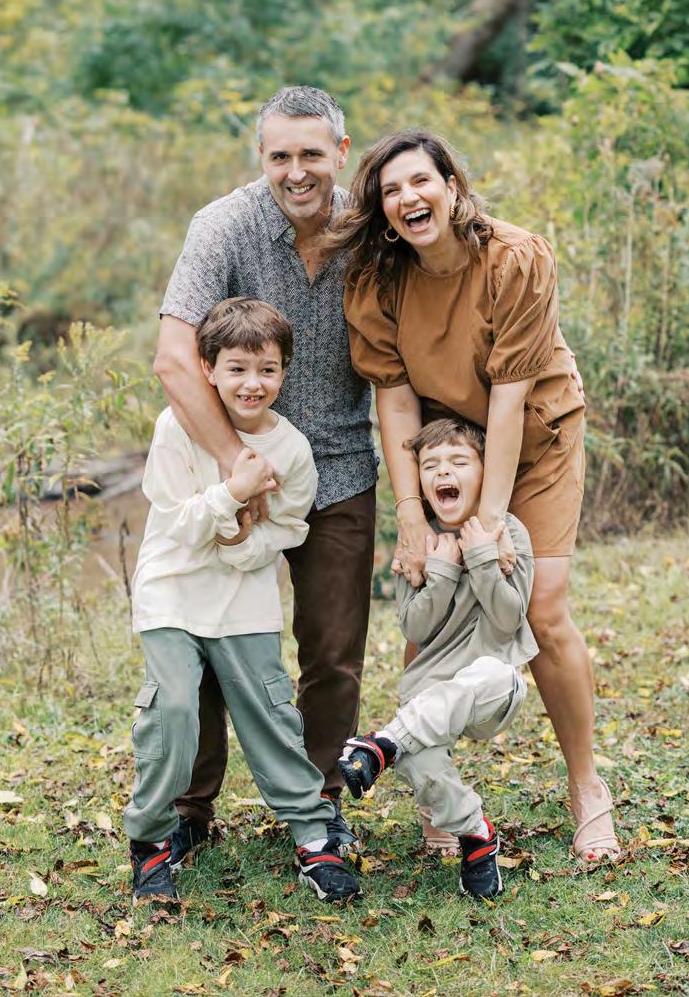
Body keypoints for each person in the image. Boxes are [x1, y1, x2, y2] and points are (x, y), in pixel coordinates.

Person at [332, 128, 620, 864]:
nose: (408, 198)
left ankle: (586, 785)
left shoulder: (515, 259)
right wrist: (412, 518)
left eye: (420, 181)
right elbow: (396, 400)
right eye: (391, 191)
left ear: (453, 187)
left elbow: (510, 397)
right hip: (447, 451)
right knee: (427, 596)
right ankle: (437, 792)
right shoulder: (377, 281)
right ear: (383, 210)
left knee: (541, 607)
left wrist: (490, 523)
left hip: (536, 435)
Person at [154, 86, 377, 867]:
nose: (296, 171)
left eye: (311, 153)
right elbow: (173, 358)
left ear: (340, 153)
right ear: (262, 156)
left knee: (333, 652)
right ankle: (189, 809)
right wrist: (232, 464)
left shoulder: (368, 229)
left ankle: (317, 805)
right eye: (280, 155)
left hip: (340, 468)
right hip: (232, 467)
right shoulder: (223, 225)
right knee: (206, 641)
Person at [125, 298, 361, 905]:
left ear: (284, 372)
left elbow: (288, 530)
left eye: (267, 369)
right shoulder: (175, 427)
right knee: (174, 710)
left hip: (244, 602)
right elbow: (176, 524)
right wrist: (233, 493)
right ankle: (151, 841)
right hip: (171, 593)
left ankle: (314, 837)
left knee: (271, 715)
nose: (252, 383)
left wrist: (237, 543)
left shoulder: (292, 449)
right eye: (236, 368)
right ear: (207, 368)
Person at [339, 419, 535, 899]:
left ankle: (385, 742)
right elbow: (415, 628)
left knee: (490, 674)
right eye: (430, 465)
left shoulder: (508, 531)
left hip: (493, 690)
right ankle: (476, 835)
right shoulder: (418, 541)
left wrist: (482, 558)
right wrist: (443, 569)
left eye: (458, 461)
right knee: (418, 760)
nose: (443, 471)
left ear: (485, 472)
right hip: (429, 697)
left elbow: (509, 620)